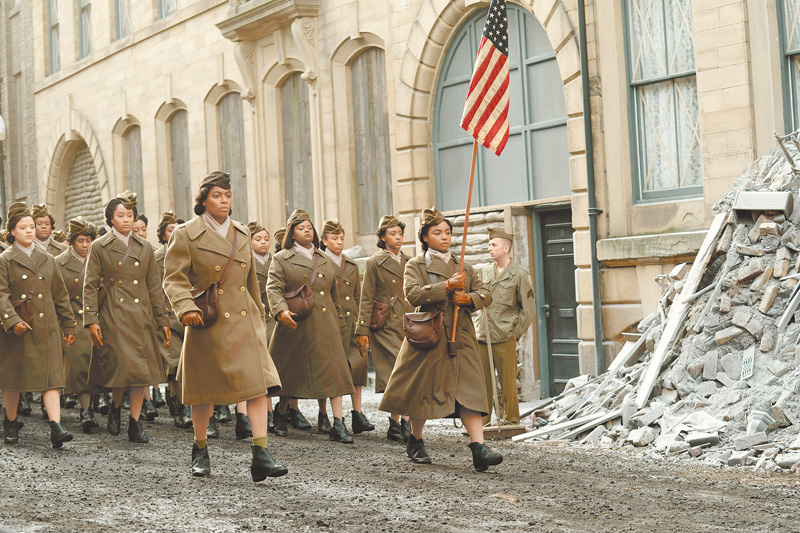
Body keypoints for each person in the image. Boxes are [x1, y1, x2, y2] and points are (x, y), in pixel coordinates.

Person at [163, 171, 287, 480]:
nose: (224, 201)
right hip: (208, 320)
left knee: (258, 387)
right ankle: (200, 447)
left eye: (228, 196)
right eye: (217, 196)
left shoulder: (241, 233)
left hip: (245, 322)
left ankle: (261, 453)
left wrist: (259, 315)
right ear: (203, 200)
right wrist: (186, 308)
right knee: (203, 392)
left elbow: (250, 284)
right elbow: (173, 278)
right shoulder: (185, 234)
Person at [379, 207, 503, 472]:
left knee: (470, 392)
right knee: (423, 393)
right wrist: (445, 288)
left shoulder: (463, 266)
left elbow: (486, 293)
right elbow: (412, 295)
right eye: (437, 232)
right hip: (429, 337)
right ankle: (416, 439)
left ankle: (478, 448)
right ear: (425, 237)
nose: (445, 237)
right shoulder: (415, 264)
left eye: (447, 232)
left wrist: (468, 298)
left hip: (462, 337)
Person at [82, 191, 172, 444]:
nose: (125, 220)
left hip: (141, 315)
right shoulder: (99, 246)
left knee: (139, 374)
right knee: (125, 368)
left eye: (129, 215)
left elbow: (155, 287)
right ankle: (115, 403)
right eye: (120, 215)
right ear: (110, 218)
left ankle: (134, 422)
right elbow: (90, 285)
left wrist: (163, 320)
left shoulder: (146, 248)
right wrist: (92, 320)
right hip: (114, 315)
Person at [267, 209, 355, 443]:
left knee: (334, 373)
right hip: (295, 323)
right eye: (300, 227)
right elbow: (273, 288)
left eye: (309, 226)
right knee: (291, 373)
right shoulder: (281, 259)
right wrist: (280, 310)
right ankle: (282, 413)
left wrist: (340, 324)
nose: (307, 230)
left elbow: (333, 294)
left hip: (326, 324)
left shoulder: (323, 258)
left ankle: (338, 423)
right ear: (291, 234)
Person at [0, 202, 77, 448]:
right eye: (23, 227)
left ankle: (56, 426)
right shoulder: (5, 260)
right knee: (14, 380)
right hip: (18, 330)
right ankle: (10, 422)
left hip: (46, 329)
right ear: (12, 231)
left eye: (31, 226)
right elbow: (1, 295)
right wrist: (12, 321)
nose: (30, 231)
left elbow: (60, 296)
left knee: (51, 379)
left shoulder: (47, 258)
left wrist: (69, 327)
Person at [355, 215, 413, 442]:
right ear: (382, 237)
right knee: (395, 375)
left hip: (409, 325)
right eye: (392, 234)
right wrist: (362, 330)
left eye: (400, 234)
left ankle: (396, 423)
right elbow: (366, 298)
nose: (398, 238)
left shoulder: (410, 261)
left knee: (405, 374)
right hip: (385, 327)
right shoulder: (373, 262)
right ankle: (402, 422)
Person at [477, 228, 535, 426]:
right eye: (489, 244)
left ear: (506, 248)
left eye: (493, 245)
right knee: (483, 384)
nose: (489, 248)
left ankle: (510, 420)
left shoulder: (519, 275)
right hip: (483, 335)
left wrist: (514, 334)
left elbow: (528, 311)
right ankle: (483, 424)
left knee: (508, 383)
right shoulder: (484, 272)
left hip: (504, 336)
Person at [320, 220, 373, 434]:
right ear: (324, 241)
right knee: (332, 371)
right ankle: (329, 416)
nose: (339, 242)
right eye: (334, 238)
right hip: (330, 324)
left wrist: (362, 328)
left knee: (358, 366)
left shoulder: (350, 265)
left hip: (351, 324)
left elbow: (359, 298)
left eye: (341, 238)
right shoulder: (319, 263)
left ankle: (357, 414)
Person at [55, 217, 104, 433]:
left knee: (103, 365)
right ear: (72, 241)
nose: (85, 246)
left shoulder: (99, 258)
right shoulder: (59, 262)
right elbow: (56, 295)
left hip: (99, 318)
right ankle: (86, 411)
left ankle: (106, 405)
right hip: (74, 320)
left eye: (89, 241)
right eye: (81, 241)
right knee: (82, 367)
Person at [154, 211, 192, 430]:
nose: (175, 232)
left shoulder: (190, 253)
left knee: (192, 365)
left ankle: (183, 404)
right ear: (163, 234)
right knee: (176, 364)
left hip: (189, 317)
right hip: (166, 318)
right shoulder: (156, 258)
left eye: (179, 229)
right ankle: (184, 407)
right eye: (171, 229)